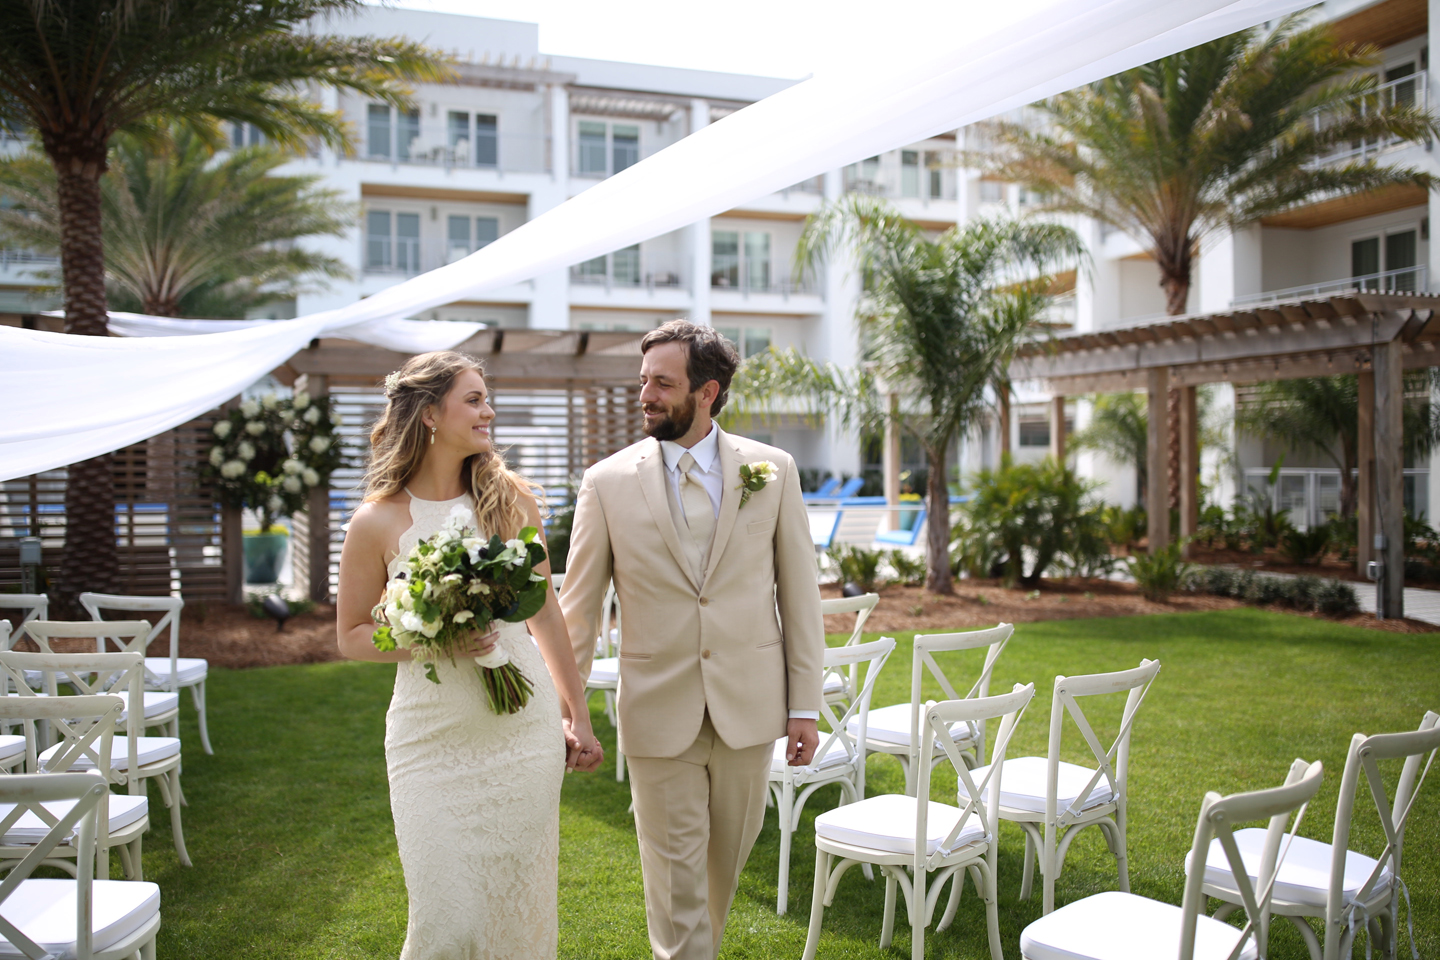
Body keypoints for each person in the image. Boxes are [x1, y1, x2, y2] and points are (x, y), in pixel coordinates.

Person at [559, 320, 825, 960]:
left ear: (707, 392)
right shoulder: (606, 482)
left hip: (749, 709)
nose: (645, 395)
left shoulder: (773, 470)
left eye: (662, 383)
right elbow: (579, 611)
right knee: (677, 888)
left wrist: (805, 706)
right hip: (657, 710)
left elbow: (800, 596)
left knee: (719, 876)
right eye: (643, 380)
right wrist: (566, 711)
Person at [336, 351, 603, 960]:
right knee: (447, 923)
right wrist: (433, 639)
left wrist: (577, 716)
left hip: (522, 733)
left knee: (513, 912)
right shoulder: (375, 521)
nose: (489, 412)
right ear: (430, 414)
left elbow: (544, 613)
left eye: (487, 398)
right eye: (474, 400)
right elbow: (351, 634)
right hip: (429, 738)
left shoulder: (510, 502)